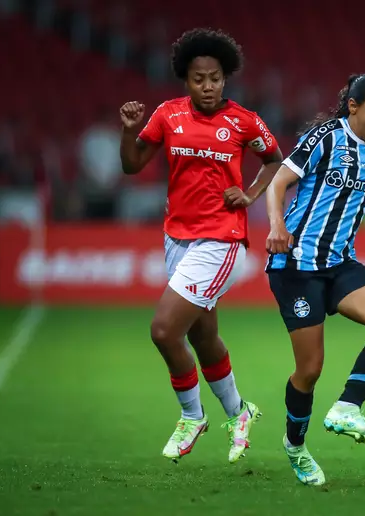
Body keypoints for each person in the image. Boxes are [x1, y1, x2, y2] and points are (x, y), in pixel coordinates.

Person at [118, 28, 283, 463]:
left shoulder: (244, 120)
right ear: (185, 80)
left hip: (221, 238)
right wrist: (129, 132)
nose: (207, 86)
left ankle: (192, 415)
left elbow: (275, 161)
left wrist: (249, 195)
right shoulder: (167, 115)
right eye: (198, 79)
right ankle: (239, 412)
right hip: (177, 237)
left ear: (225, 78)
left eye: (214, 78)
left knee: (163, 330)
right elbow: (132, 165)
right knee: (204, 335)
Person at [265, 73, 365, 486]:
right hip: (296, 264)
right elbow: (279, 182)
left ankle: (348, 406)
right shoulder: (324, 138)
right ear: (352, 106)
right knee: (309, 370)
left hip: (340, 263)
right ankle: (295, 446)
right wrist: (277, 225)